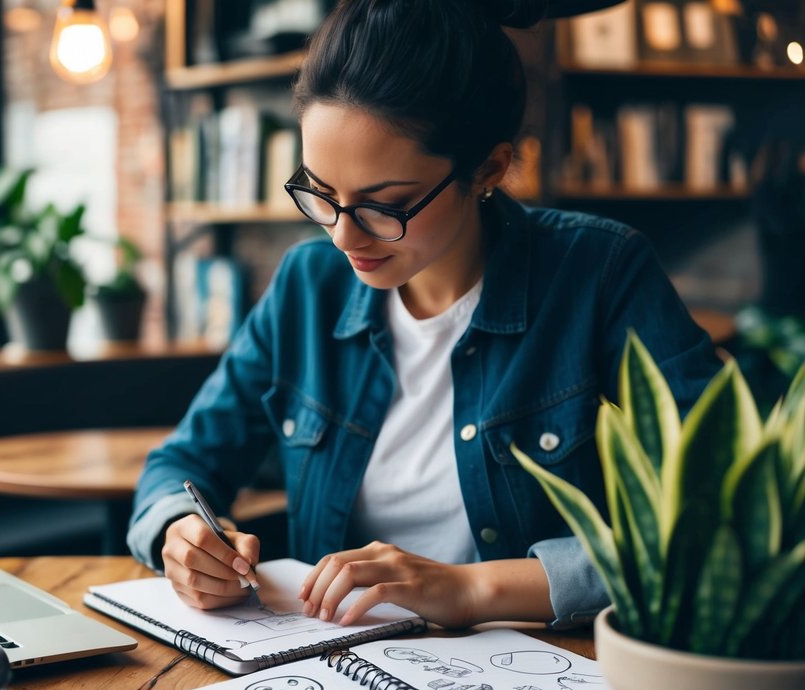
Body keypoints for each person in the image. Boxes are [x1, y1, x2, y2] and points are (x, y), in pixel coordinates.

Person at [128, 0, 721, 630]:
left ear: (488, 168)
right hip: (340, 668)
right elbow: (181, 464)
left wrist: (470, 590)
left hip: (545, 673)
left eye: (386, 205)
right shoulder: (308, 286)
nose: (343, 238)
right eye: (321, 195)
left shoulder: (599, 271)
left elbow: (715, 518)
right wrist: (182, 534)